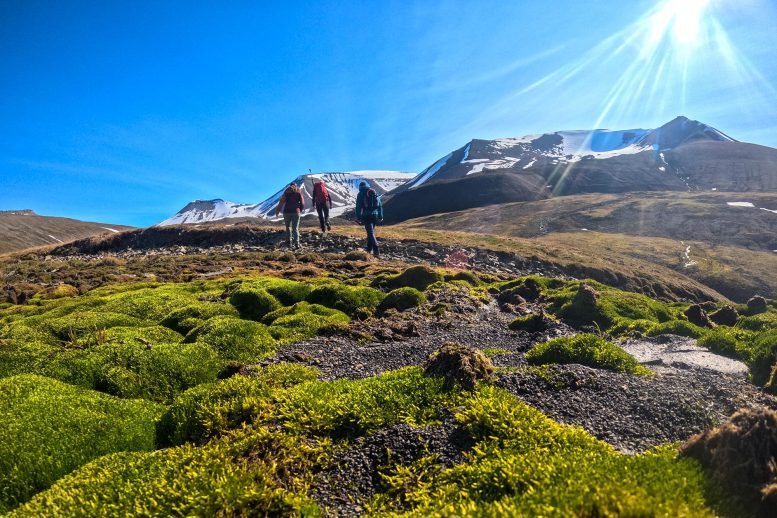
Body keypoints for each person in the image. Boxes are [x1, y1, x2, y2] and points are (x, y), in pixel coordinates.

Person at [355, 181, 383, 257]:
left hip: (367, 216)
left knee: (370, 233)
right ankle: (369, 249)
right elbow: (380, 205)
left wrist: (358, 217)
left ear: (360, 187)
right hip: (375, 215)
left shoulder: (361, 193)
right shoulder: (373, 192)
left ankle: (376, 250)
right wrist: (380, 216)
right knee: (370, 232)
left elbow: (358, 206)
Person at [275, 182, 304, 249]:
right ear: (296, 186)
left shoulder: (286, 192)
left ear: (290, 186)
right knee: (295, 228)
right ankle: (297, 244)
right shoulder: (298, 192)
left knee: (288, 227)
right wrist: (300, 210)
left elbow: (281, 201)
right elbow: (302, 203)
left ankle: (288, 242)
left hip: (286, 212)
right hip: (295, 212)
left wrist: (278, 210)